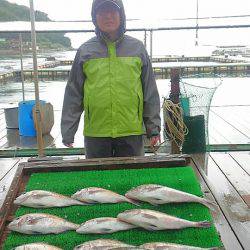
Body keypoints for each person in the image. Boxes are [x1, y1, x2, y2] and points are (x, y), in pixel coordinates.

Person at [61, 0, 161, 159]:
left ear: (121, 15)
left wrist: (153, 128)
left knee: (133, 178)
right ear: (94, 17)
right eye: (102, 12)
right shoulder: (85, 51)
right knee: (97, 180)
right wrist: (68, 130)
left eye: (113, 11)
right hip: (96, 132)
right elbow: (74, 94)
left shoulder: (138, 48)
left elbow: (149, 91)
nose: (108, 16)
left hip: (131, 130)